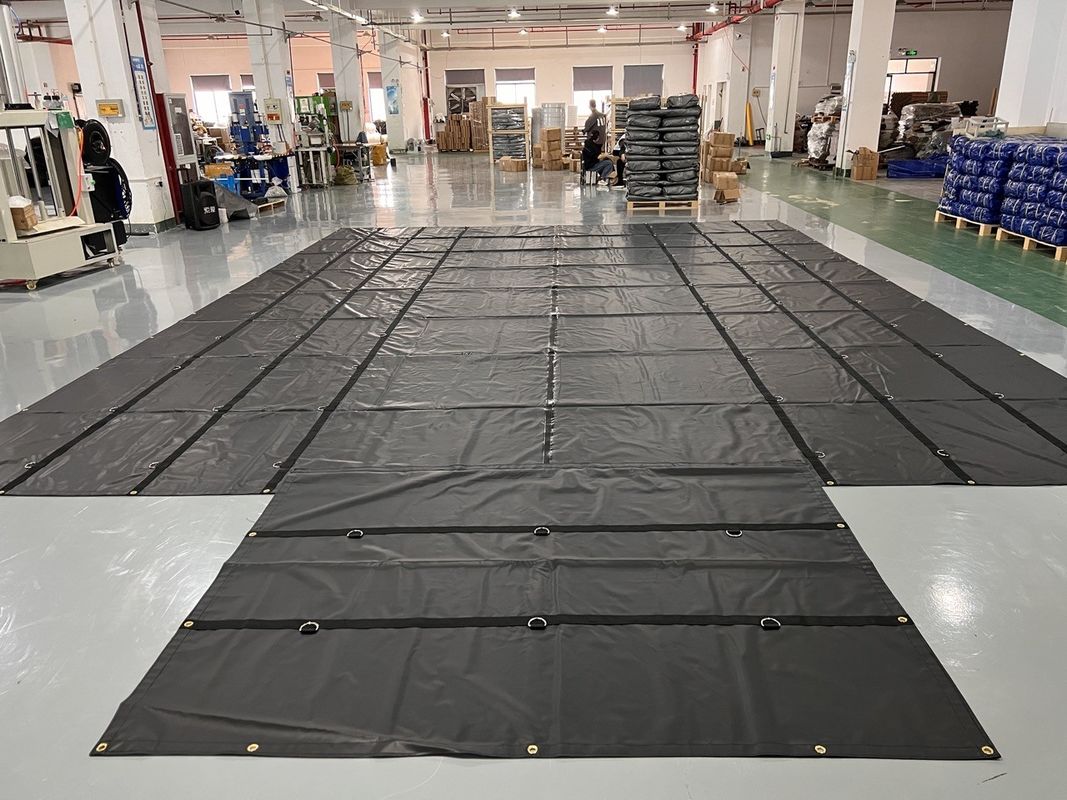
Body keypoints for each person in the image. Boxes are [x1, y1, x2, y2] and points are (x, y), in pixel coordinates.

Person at [581, 99, 607, 180]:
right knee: (597, 157)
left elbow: (587, 127)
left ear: (589, 106)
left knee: (592, 159)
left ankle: (592, 172)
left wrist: (584, 131)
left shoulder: (593, 115)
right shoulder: (602, 115)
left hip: (594, 142)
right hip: (601, 140)